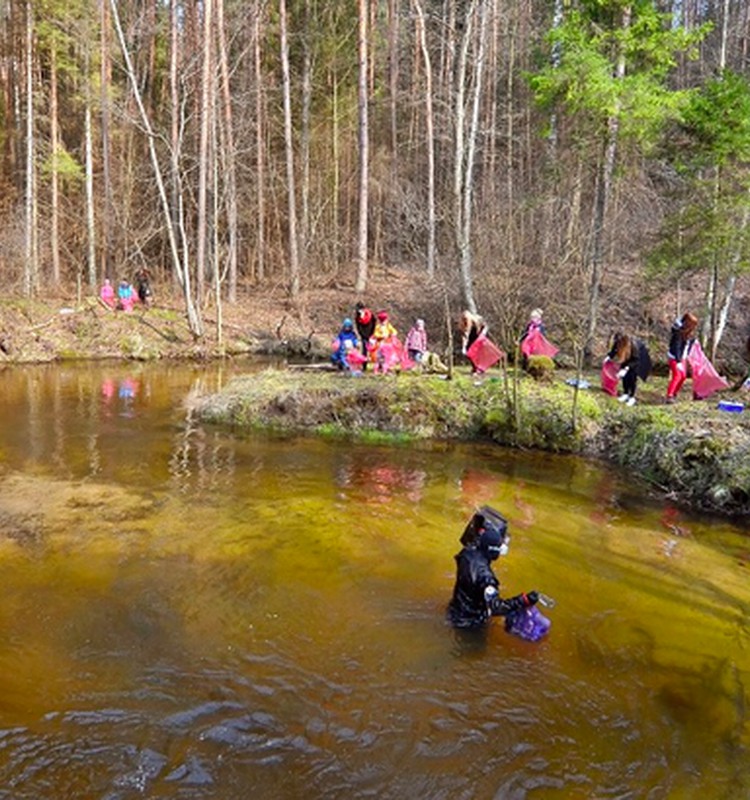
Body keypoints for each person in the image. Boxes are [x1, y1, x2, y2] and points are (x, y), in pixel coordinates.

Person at [447, 506, 539, 630]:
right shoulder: (486, 577)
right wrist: (524, 600)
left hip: (454, 611)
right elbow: (496, 607)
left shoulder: (466, 554)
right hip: (470, 624)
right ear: (493, 550)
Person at [605, 332, 652, 406]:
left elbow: (636, 359)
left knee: (632, 378)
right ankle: (625, 393)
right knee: (625, 378)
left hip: (636, 362)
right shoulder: (617, 343)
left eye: (619, 343)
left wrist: (626, 368)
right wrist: (608, 357)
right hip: (625, 360)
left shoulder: (633, 346)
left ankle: (632, 397)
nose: (617, 344)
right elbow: (614, 351)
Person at [665, 312, 698, 403]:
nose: (694, 327)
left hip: (682, 358)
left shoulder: (687, 332)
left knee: (683, 376)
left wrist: (693, 342)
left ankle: (674, 394)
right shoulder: (678, 333)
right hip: (674, 357)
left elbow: (686, 345)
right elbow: (676, 347)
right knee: (677, 375)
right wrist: (678, 361)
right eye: (692, 324)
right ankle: (669, 396)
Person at [459, 309, 503, 376]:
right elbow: (464, 335)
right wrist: (464, 347)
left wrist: (483, 334)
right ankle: (475, 367)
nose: (465, 320)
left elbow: (484, 326)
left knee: (476, 352)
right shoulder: (463, 324)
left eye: (466, 319)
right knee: (469, 352)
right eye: (464, 319)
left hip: (478, 336)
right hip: (472, 337)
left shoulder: (476, 321)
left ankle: (478, 368)